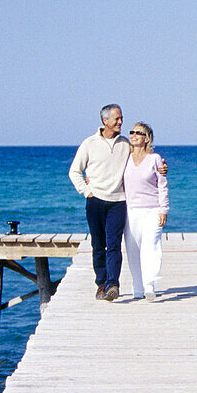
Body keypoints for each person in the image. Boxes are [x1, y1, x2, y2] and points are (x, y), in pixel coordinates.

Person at [69, 104, 129, 301]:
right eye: (116, 119)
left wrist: (161, 166)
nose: (120, 122)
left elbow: (141, 160)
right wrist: (87, 192)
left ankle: (113, 284)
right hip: (95, 201)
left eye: (121, 118)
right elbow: (74, 171)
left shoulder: (125, 144)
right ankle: (101, 284)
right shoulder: (89, 143)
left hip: (118, 201)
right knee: (98, 245)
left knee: (114, 244)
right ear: (105, 121)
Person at [122, 122, 168, 300]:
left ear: (146, 138)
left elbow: (162, 186)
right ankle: (137, 288)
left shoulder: (155, 159)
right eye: (132, 132)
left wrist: (163, 209)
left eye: (138, 133)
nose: (133, 135)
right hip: (130, 211)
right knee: (132, 249)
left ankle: (150, 285)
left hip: (152, 210)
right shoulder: (124, 157)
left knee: (151, 245)